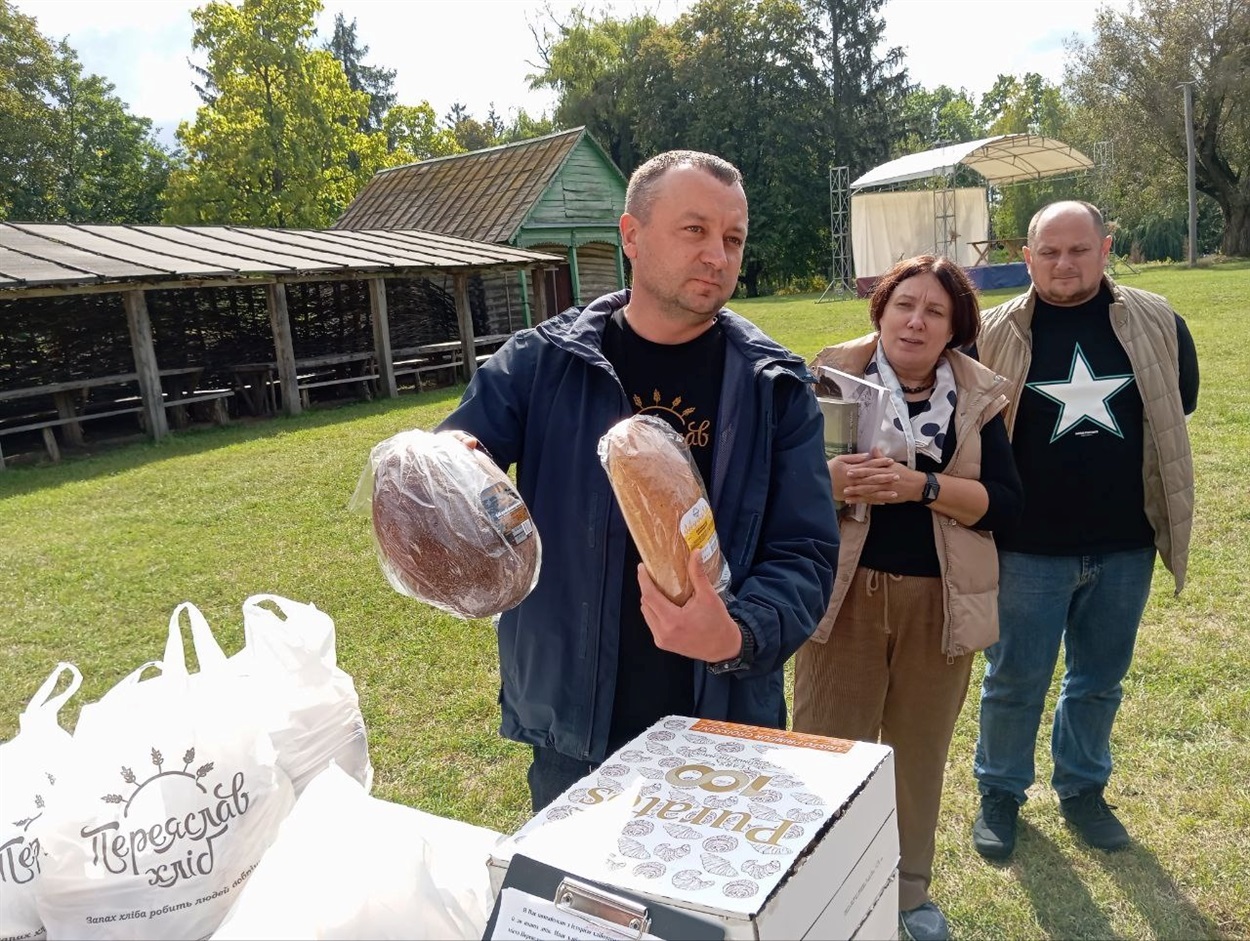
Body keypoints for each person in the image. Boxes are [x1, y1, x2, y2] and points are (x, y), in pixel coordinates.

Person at [437, 150, 839, 812]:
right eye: (695, 230)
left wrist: (736, 634)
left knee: (707, 911)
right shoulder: (543, 365)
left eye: (732, 238)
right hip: (577, 727)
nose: (718, 253)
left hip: (723, 718)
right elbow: (456, 459)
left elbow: (805, 552)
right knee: (580, 909)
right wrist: (442, 467)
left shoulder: (775, 386)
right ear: (631, 235)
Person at [791, 255, 1022, 941]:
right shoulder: (828, 379)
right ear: (881, 310)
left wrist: (922, 487)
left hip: (940, 602)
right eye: (904, 305)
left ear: (955, 328)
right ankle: (820, 891)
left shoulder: (981, 395)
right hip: (845, 596)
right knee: (827, 752)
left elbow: (1005, 506)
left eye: (935, 311)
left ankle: (907, 896)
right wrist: (829, 479)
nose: (916, 321)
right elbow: (778, 484)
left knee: (917, 757)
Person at [971, 200, 1199, 860]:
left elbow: (1175, 403)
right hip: (1026, 547)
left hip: (1125, 543)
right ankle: (1001, 792)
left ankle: (1082, 788)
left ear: (1105, 247)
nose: (1063, 263)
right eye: (1049, 251)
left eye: (1078, 249)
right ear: (1028, 257)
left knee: (1099, 678)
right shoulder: (992, 331)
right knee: (1014, 679)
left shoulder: (1158, 321)